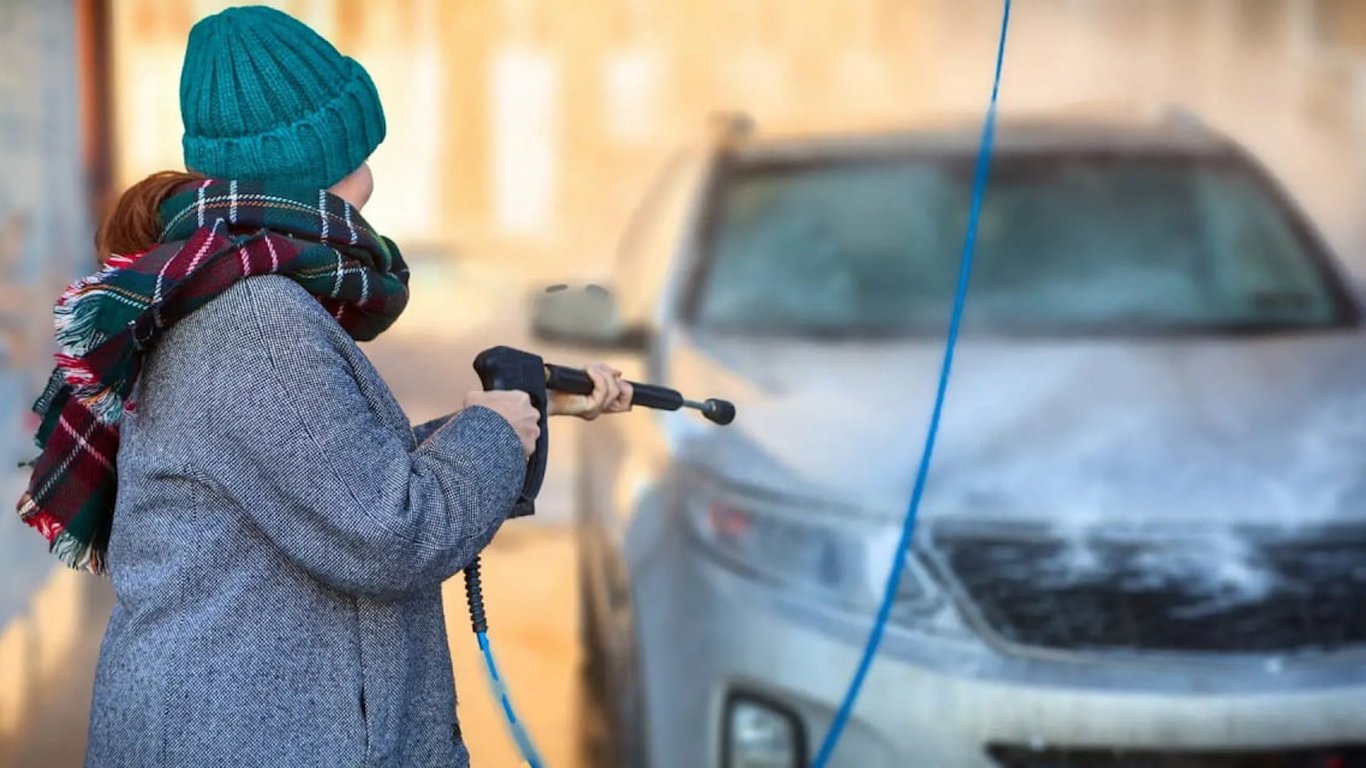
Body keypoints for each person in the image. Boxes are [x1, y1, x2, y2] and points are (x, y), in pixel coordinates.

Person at [15, 6, 631, 767]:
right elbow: (389, 533)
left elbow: (323, 475)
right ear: (327, 156)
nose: (373, 166)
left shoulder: (230, 286)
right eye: (360, 142)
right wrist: (492, 435)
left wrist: (517, 416)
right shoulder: (258, 319)